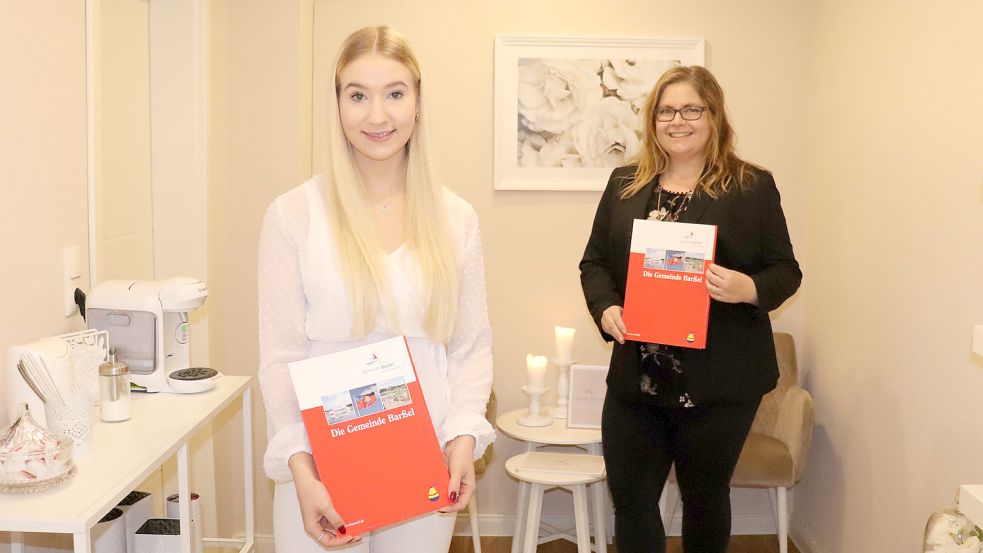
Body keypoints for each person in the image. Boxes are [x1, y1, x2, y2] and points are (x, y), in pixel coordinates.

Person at [257, 26, 494, 552]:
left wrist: (463, 439)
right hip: (320, 465)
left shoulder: (457, 220)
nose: (378, 115)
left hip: (424, 458)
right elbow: (280, 357)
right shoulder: (293, 215)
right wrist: (301, 468)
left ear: (417, 102)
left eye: (394, 93)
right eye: (358, 95)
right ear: (338, 104)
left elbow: (470, 346)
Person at [579, 65, 801, 553]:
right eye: (665, 111)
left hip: (720, 382)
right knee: (633, 504)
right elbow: (594, 263)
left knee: (704, 500)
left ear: (714, 115)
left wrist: (746, 287)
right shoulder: (624, 183)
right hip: (636, 378)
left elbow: (786, 272)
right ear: (652, 119)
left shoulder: (751, 185)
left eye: (690, 109)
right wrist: (606, 307)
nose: (677, 121)